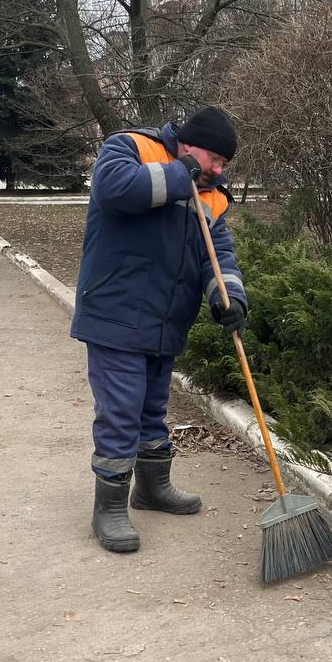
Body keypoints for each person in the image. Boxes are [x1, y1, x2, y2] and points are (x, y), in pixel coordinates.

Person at [71, 106, 247, 553]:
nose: (217, 169)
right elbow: (114, 191)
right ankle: (108, 506)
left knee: (152, 408)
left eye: (223, 164)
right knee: (121, 410)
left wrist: (229, 296)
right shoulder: (130, 147)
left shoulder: (212, 196)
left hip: (165, 318)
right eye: (214, 159)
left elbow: (218, 253)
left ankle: (152, 487)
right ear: (189, 146)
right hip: (116, 311)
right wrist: (180, 172)